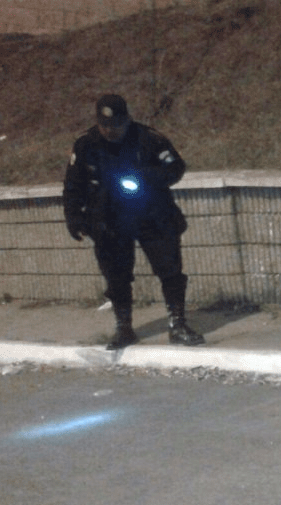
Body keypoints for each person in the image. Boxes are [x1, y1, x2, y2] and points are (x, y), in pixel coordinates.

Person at [63, 94, 204, 350]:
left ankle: (178, 323)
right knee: (116, 277)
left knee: (170, 271)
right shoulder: (86, 144)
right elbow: (73, 185)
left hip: (152, 214)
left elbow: (176, 167)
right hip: (109, 220)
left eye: (116, 125)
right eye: (105, 125)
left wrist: (146, 176)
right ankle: (124, 327)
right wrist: (74, 218)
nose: (110, 131)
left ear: (127, 120)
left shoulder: (149, 139)